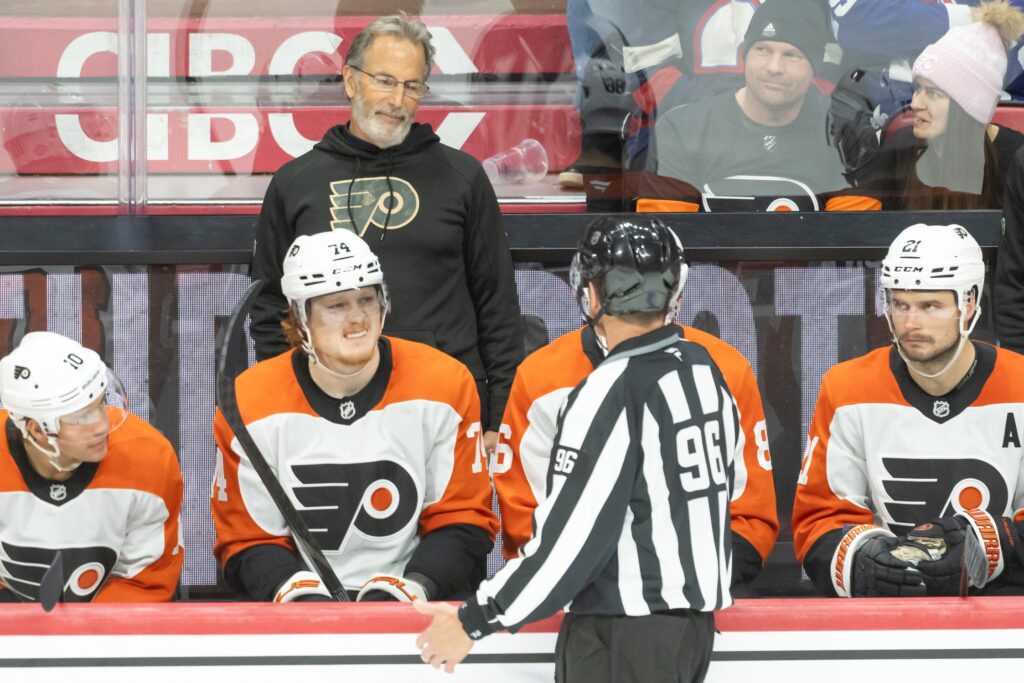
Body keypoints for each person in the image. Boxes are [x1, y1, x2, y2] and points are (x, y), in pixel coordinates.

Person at [415, 218, 739, 681]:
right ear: (674, 288)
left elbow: (572, 540)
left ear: (591, 293)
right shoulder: (704, 367)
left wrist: (476, 620)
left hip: (623, 635)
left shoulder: (607, 390)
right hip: (692, 632)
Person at [248, 13, 523, 454]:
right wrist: (286, 404)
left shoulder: (462, 177)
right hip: (328, 412)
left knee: (456, 525)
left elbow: (499, 308)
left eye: (412, 86)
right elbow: (268, 312)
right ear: (351, 81)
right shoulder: (295, 183)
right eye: (384, 80)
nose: (397, 99)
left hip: (446, 409)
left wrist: (500, 416)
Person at [211, 230, 497, 603]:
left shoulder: (443, 381)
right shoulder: (250, 399)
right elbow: (247, 538)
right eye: (337, 305)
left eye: (367, 299)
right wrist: (299, 596)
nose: (359, 319)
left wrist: (415, 586)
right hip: (301, 618)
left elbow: (463, 519)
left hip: (418, 610)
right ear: (300, 316)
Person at [493, 217, 777, 586]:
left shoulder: (726, 370)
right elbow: (523, 525)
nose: (635, 304)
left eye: (651, 288)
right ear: (590, 291)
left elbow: (749, 520)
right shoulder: (540, 378)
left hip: (693, 597)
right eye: (620, 288)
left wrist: (674, 580)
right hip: (576, 598)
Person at [792, 224, 1024, 597]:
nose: (911, 323)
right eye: (900, 304)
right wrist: (864, 559)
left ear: (969, 302)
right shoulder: (847, 387)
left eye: (930, 305)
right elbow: (820, 519)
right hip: (891, 619)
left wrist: (995, 545)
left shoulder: (1022, 385)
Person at [0, 332, 183, 603]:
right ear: (38, 431)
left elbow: (144, 581)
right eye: (82, 417)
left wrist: (86, 635)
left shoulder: (148, 455)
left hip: (112, 635)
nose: (102, 425)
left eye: (100, 404)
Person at [644, 0, 849, 212]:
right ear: (746, 56)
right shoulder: (682, 131)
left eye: (791, 55)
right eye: (762, 50)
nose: (774, 67)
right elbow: (669, 233)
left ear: (813, 68)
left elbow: (852, 237)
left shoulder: (841, 137)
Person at [873, 1, 1024, 210]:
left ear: (970, 104)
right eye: (918, 88)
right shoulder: (900, 149)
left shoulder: (1017, 159)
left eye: (933, 93)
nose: (916, 104)